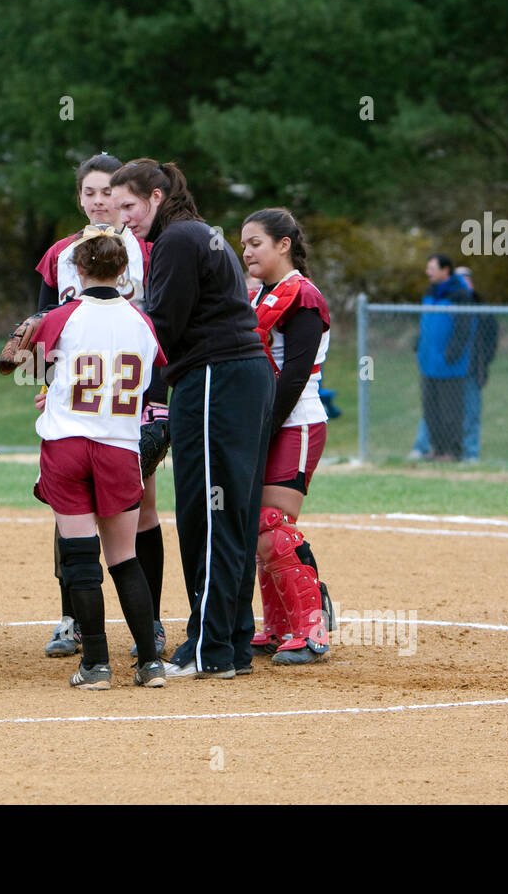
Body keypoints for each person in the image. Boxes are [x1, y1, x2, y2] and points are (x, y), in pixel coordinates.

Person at [110, 159, 274, 680]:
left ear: (156, 197)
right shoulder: (197, 235)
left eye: (130, 207)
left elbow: (164, 327)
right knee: (234, 517)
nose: (124, 220)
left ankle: (207, 648)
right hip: (238, 376)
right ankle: (231, 645)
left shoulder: (178, 241)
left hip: (214, 379)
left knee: (207, 515)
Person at [33, 153, 166, 661]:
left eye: (107, 192)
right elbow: (42, 318)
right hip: (94, 409)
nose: (98, 201)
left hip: (125, 409)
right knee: (87, 522)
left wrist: (155, 407)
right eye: (88, 193)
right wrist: (46, 384)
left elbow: (35, 336)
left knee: (135, 514)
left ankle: (140, 627)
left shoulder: (149, 252)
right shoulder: (62, 253)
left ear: (124, 196)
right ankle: (76, 619)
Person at [241, 208, 334, 665]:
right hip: (271, 422)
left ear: (284, 244)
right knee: (258, 524)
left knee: (271, 524)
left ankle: (313, 629)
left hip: (295, 422)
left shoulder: (303, 297)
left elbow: (295, 375)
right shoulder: (266, 294)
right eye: (242, 244)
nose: (246, 252)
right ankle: (279, 627)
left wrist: (262, 428)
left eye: (255, 242)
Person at [415, 254, 474, 461]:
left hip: (450, 366)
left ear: (445, 270)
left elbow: (464, 329)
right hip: (428, 363)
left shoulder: (460, 295)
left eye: (432, 268)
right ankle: (437, 449)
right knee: (432, 412)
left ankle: (452, 451)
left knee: (451, 412)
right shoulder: (431, 292)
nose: (428, 272)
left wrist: (451, 354)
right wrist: (418, 346)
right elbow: (425, 323)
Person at [458, 267, 498, 463]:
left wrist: (484, 361)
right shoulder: (446, 305)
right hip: (447, 372)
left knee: (472, 414)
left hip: (473, 370)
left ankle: (470, 454)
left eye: (467, 280)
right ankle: (439, 452)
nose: (464, 285)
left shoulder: (482, 309)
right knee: (440, 414)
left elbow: (491, 339)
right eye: (459, 280)